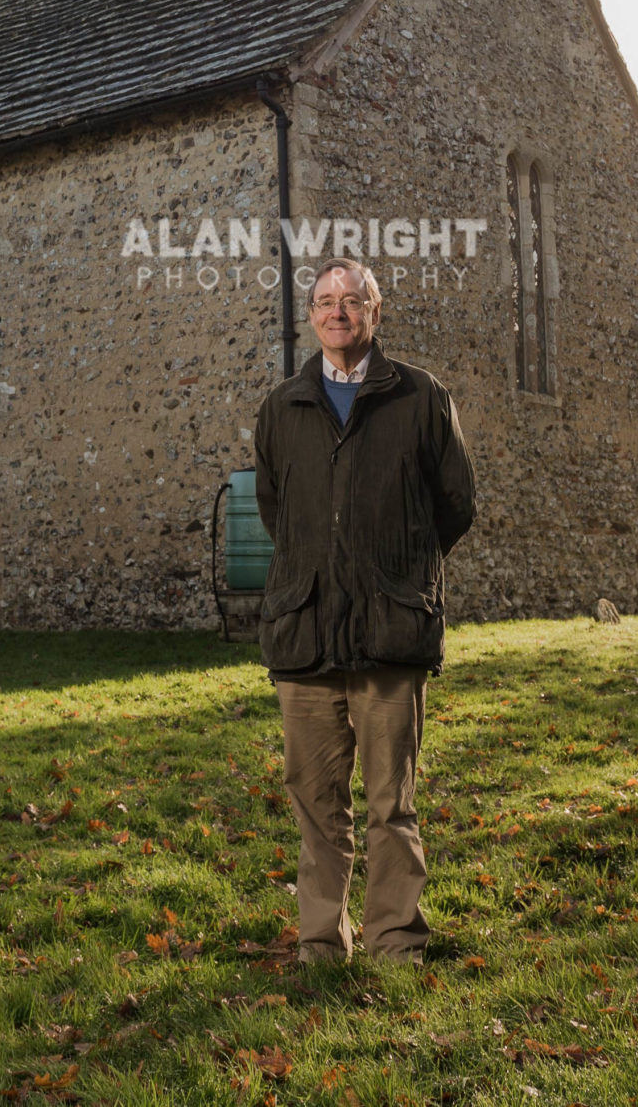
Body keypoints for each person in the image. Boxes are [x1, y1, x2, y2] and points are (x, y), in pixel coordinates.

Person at [251, 256, 476, 963]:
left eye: (352, 300)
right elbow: (276, 511)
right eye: (325, 301)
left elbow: (456, 503)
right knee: (316, 807)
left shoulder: (421, 396)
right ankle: (322, 944)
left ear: (375, 312)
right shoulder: (282, 407)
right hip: (307, 632)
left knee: (391, 804)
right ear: (311, 317)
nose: (338, 312)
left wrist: (397, 569)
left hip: (390, 632)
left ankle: (395, 943)